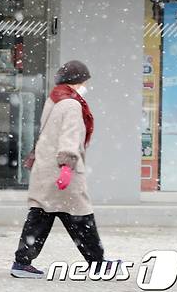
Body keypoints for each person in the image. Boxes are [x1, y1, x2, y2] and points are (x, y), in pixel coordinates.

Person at [10, 60, 112, 279]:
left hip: (45, 168)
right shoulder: (72, 104)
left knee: (41, 215)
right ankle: (98, 262)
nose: (86, 85)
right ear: (77, 81)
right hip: (62, 171)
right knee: (80, 216)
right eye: (85, 81)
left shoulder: (55, 98)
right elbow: (69, 137)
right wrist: (67, 166)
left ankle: (22, 262)